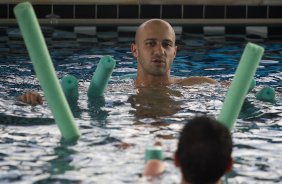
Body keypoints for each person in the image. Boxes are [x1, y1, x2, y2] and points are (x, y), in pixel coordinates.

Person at [17, 19, 216, 105]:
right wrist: (35, 97)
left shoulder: (196, 86)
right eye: (150, 43)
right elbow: (67, 93)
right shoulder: (116, 89)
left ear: (174, 52)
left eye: (166, 44)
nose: (159, 51)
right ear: (135, 50)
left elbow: (237, 88)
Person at [143, 116, 233, 184]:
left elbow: (151, 175)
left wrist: (153, 168)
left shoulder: (152, 170)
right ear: (229, 166)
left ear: (176, 159)